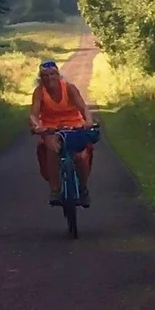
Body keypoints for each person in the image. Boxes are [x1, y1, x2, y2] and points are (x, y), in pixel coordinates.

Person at [28, 58, 96, 207]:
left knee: (81, 156)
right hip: (50, 127)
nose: (49, 78)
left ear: (58, 75)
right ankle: (55, 190)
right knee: (52, 148)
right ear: (41, 78)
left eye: (52, 74)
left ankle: (83, 188)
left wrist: (88, 121)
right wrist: (36, 125)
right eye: (45, 75)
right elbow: (34, 113)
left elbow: (83, 108)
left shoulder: (69, 88)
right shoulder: (39, 92)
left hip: (74, 125)